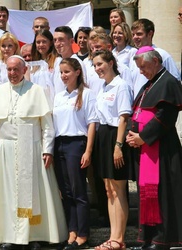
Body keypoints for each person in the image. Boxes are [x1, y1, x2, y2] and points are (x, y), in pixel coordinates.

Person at [0, 55, 67, 250]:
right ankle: (9, 236)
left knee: (32, 194)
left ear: (24, 69)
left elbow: (46, 125)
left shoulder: (36, 91)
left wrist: (48, 150)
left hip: (31, 147)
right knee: (7, 194)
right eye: (9, 70)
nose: (12, 73)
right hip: (4, 150)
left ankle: (34, 236)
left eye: (16, 69)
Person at [126, 46, 182, 250]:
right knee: (148, 193)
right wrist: (132, 135)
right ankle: (148, 237)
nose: (141, 71)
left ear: (156, 61)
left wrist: (143, 137)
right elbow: (138, 112)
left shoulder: (168, 82)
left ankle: (162, 238)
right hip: (147, 148)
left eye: (143, 67)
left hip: (163, 149)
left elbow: (165, 115)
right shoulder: (150, 84)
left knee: (162, 194)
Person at [53, 58, 98, 250]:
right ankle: (71, 231)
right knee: (66, 192)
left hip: (76, 144)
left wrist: (88, 150)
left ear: (77, 72)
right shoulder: (59, 96)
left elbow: (92, 124)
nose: (63, 76)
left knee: (79, 191)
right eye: (61, 73)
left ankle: (83, 234)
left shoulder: (87, 94)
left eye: (67, 72)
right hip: (60, 144)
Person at [92, 50, 133, 250]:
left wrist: (118, 146)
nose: (97, 68)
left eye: (100, 64)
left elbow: (123, 117)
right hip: (103, 135)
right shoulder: (103, 86)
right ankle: (112, 236)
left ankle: (119, 239)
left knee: (118, 189)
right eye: (94, 66)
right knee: (108, 190)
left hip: (116, 137)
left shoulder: (121, 85)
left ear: (110, 62)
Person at [130, 18, 180, 97]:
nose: (135, 37)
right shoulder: (133, 58)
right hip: (139, 105)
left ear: (150, 34)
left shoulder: (163, 55)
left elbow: (175, 81)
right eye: (133, 34)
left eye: (139, 34)